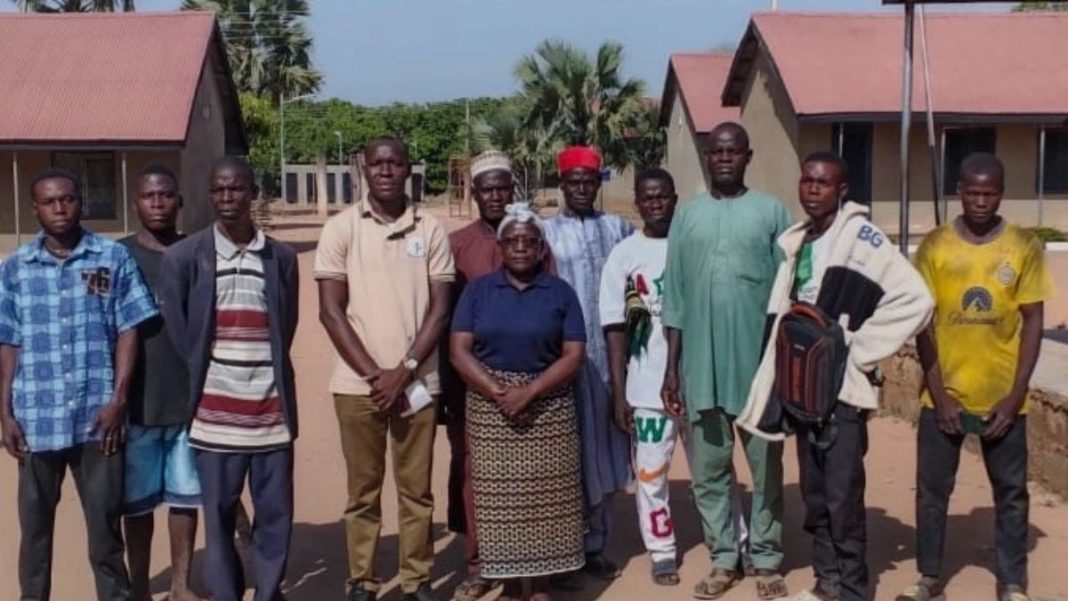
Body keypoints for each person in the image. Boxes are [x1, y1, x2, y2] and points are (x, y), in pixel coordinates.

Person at [737, 151, 933, 601]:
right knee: (816, 494)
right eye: (807, 181)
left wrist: (857, 351)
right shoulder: (800, 240)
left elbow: (916, 299)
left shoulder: (862, 239)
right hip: (803, 387)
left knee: (843, 497)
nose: (812, 190)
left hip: (841, 393)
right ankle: (826, 584)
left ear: (842, 190)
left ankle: (852, 590)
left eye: (822, 183)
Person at [897, 153, 1053, 601]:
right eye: (972, 192)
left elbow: (1034, 321)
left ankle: (1011, 581)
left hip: (1003, 399)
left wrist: (1016, 394)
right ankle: (928, 577)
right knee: (931, 492)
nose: (980, 201)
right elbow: (922, 321)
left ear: (1001, 193)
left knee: (1011, 493)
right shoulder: (935, 247)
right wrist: (939, 391)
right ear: (958, 191)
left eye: (989, 193)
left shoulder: (1023, 246)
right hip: (944, 398)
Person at [0, 167, 158, 601]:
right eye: (49, 202)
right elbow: (8, 340)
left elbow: (130, 328)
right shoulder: (15, 268)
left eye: (67, 199)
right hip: (36, 420)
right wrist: (5, 414)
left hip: (97, 421)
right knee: (35, 534)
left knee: (105, 532)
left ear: (80, 202)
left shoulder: (111, 258)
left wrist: (118, 402)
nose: (60, 209)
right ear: (35, 208)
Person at [317, 137, 453, 601]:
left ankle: (416, 580)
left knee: (417, 492)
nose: (387, 171)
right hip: (358, 388)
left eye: (395, 163)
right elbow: (331, 312)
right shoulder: (340, 229)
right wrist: (378, 375)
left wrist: (407, 369)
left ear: (408, 169)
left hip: (419, 383)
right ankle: (362, 579)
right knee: (363, 492)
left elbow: (440, 310)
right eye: (377, 163)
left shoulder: (430, 229)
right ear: (363, 168)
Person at [159, 157, 300, 601]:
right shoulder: (185, 257)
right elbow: (183, 334)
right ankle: (225, 593)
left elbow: (286, 325)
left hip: (271, 416)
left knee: (274, 516)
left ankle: (269, 591)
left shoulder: (280, 257)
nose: (226, 199)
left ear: (253, 193)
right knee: (218, 519)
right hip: (215, 416)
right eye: (218, 191)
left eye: (236, 190)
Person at [661, 121, 791, 599]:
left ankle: (767, 560)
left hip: (758, 372)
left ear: (747, 156)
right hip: (701, 369)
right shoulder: (687, 217)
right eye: (716, 152)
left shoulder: (771, 212)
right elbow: (673, 297)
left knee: (766, 469)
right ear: (707, 156)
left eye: (733, 152)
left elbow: (787, 294)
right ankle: (723, 559)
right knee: (710, 472)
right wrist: (672, 370)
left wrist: (784, 372)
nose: (724, 159)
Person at [450, 202, 587, 601]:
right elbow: (460, 351)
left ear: (541, 247)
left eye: (530, 241)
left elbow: (574, 353)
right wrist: (499, 392)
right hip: (492, 410)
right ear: (501, 245)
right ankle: (510, 587)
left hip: (550, 408)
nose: (521, 248)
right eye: (513, 241)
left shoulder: (560, 292)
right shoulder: (478, 291)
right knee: (501, 506)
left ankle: (542, 586)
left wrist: (530, 391)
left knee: (549, 507)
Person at [443, 150, 555, 601]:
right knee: (475, 474)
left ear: (513, 190)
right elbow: (445, 316)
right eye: (486, 188)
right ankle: (481, 562)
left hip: (532, 382)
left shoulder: (534, 239)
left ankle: (542, 561)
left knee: (533, 476)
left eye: (502, 187)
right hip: (471, 381)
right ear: (473, 193)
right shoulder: (456, 245)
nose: (494, 196)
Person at [542, 145, 633, 582]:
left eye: (588, 181)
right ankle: (562, 548)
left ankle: (595, 544)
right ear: (562, 185)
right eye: (573, 181)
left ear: (598, 185)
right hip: (563, 361)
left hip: (611, 357)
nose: (581, 188)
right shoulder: (545, 233)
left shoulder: (619, 228)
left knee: (607, 454)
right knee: (564, 456)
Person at [599, 167, 686, 587]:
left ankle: (732, 545)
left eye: (663, 196)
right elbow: (613, 328)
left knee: (714, 472)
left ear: (674, 198)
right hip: (646, 388)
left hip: (699, 384)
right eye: (647, 198)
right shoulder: (623, 255)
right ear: (637, 202)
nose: (655, 204)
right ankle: (663, 551)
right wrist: (620, 393)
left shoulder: (691, 247)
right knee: (651, 475)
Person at [120, 164, 203, 601]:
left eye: (166, 195)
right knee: (137, 504)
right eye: (149, 196)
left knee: (185, 497)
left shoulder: (197, 253)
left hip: (188, 399)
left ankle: (180, 584)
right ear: (135, 202)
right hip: (136, 403)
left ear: (179, 201)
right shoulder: (117, 257)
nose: (157, 203)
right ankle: (138, 587)